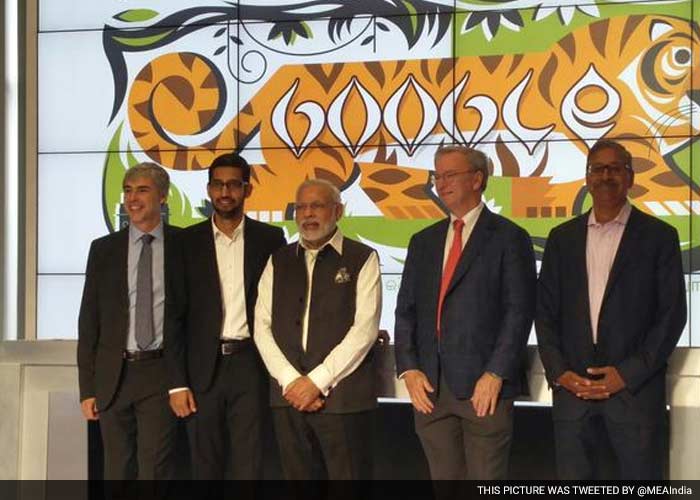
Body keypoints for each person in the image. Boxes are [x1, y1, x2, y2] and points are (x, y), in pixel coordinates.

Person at [536, 139, 686, 479]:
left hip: (634, 397)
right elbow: (544, 314)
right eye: (597, 169)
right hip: (573, 399)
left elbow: (672, 314)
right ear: (587, 179)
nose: (605, 176)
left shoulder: (660, 237)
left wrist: (626, 374)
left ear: (630, 178)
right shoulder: (561, 239)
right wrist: (560, 373)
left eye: (615, 168)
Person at [394, 146, 536, 480]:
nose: (441, 183)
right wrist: (409, 369)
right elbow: (405, 312)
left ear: (477, 179)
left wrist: (495, 373)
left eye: (450, 174)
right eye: (437, 176)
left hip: (484, 390)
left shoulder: (510, 237)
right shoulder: (422, 241)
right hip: (430, 390)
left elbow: (519, 312)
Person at [165, 153, 285, 479]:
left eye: (233, 184)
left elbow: (287, 306)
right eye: (218, 185)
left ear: (247, 189)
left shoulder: (271, 240)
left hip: (252, 367)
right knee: (205, 468)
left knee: (250, 466)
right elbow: (173, 316)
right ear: (208, 189)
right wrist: (176, 383)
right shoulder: (185, 242)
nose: (225, 192)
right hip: (202, 370)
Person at [254, 179, 382, 480]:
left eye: (317, 206)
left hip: (343, 400)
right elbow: (261, 327)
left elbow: (364, 330)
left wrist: (316, 382)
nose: (308, 214)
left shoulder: (363, 257)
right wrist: (291, 382)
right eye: (301, 207)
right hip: (289, 400)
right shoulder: (278, 260)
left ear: (337, 211)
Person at [77, 162, 179, 479]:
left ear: (162, 197)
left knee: (155, 471)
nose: (133, 198)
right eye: (128, 190)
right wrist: (87, 388)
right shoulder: (103, 249)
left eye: (143, 190)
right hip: (113, 376)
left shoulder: (185, 245)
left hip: (160, 373)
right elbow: (89, 321)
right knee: (116, 470)